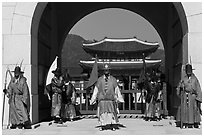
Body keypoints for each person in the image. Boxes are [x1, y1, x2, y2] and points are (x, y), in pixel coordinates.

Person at [90, 64, 124, 131]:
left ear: (109, 70)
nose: (106, 71)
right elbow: (96, 90)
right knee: (102, 113)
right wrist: (93, 99)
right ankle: (102, 124)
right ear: (103, 71)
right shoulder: (99, 80)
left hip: (110, 99)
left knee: (111, 113)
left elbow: (117, 89)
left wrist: (119, 98)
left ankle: (113, 124)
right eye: (105, 70)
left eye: (107, 70)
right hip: (102, 99)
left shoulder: (113, 79)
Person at [176, 64, 202, 128]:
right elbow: (179, 87)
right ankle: (185, 122)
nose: (188, 72)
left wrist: (198, 98)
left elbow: (198, 88)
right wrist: (180, 89)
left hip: (192, 96)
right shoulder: (183, 79)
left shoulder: (195, 79)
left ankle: (194, 122)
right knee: (185, 109)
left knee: (194, 109)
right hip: (185, 96)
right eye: (187, 70)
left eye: (190, 70)